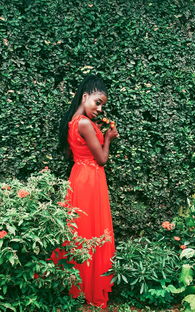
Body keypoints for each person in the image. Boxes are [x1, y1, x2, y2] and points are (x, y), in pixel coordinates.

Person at [52, 75, 119, 309]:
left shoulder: (74, 120)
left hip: (79, 176)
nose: (100, 109)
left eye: (102, 105)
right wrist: (108, 138)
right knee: (91, 232)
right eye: (97, 102)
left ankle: (77, 286)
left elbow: (76, 153)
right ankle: (89, 288)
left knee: (81, 231)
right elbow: (101, 159)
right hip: (90, 179)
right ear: (85, 96)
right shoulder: (84, 123)